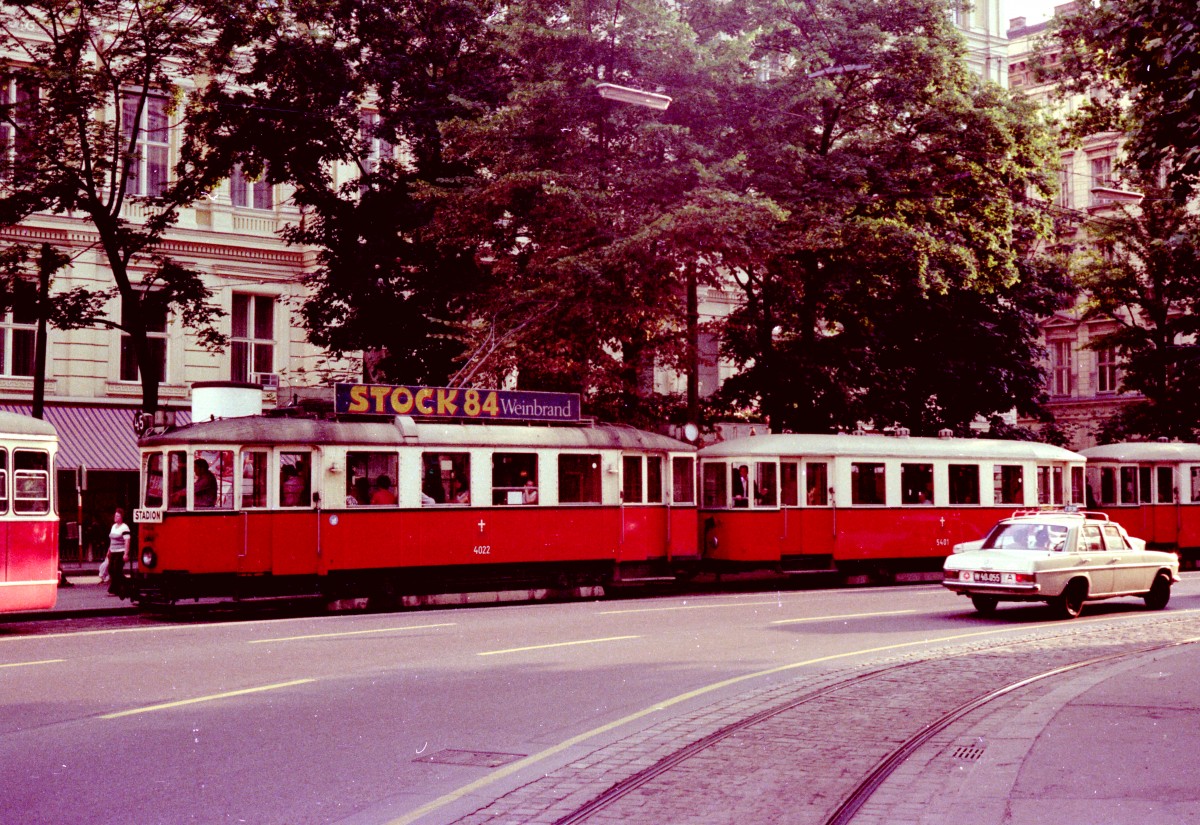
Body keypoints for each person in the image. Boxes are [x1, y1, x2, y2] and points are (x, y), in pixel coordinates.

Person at [106, 508, 131, 597]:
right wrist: (108, 550)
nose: (115, 517)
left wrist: (126, 554)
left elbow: (127, 541)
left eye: (117, 516)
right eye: (115, 515)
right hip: (113, 552)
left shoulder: (125, 527)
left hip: (120, 552)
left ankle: (114, 589)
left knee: (117, 570)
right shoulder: (113, 526)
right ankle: (126, 585)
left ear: (121, 517)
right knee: (111, 570)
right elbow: (111, 540)